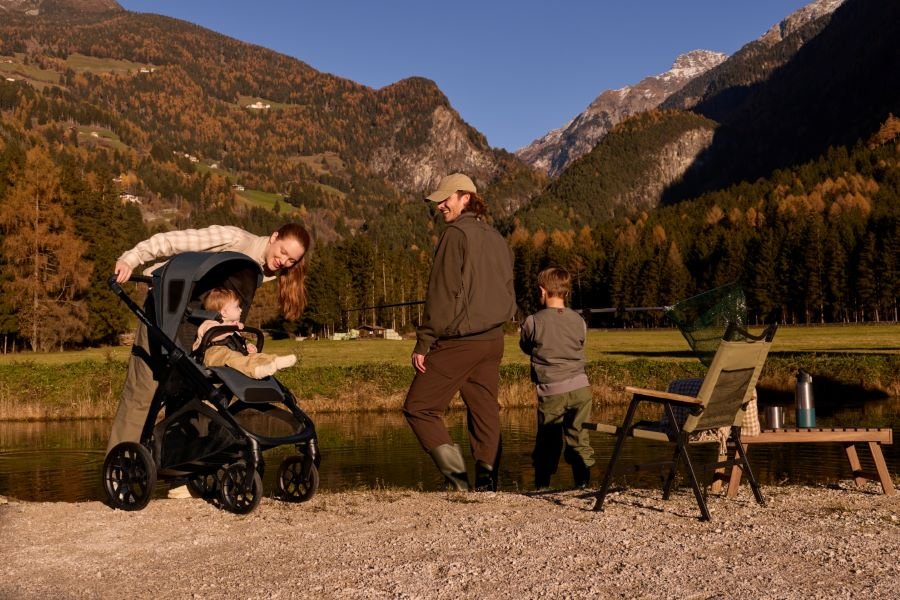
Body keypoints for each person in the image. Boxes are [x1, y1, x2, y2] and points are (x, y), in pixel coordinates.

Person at [107, 223, 310, 455]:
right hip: (166, 305)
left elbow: (228, 309)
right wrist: (131, 258)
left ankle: (179, 465)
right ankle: (120, 463)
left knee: (190, 391)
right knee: (143, 390)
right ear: (274, 237)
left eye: (291, 260)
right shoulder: (233, 238)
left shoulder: (265, 270)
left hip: (203, 323)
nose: (283, 262)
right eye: (283, 252)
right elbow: (173, 241)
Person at [403, 173, 516, 492]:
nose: (440, 205)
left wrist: (424, 342)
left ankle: (457, 480)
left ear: (466, 197)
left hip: (462, 340)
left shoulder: (455, 235)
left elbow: (441, 293)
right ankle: (487, 482)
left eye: (446, 198)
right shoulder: (496, 237)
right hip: (494, 340)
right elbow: (508, 286)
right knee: (484, 409)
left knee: (419, 407)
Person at [519, 267, 594, 489]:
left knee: (548, 439)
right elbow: (581, 343)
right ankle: (583, 483)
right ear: (567, 293)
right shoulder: (579, 320)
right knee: (579, 436)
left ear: (542, 291)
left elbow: (526, 346)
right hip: (581, 388)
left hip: (552, 390)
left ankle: (542, 486)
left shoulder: (533, 321)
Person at [193, 287, 297, 378]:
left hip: (234, 353)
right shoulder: (209, 324)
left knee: (253, 357)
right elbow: (212, 336)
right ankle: (256, 371)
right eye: (237, 307)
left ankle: (275, 361)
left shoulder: (233, 327)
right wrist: (231, 329)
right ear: (224, 312)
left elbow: (237, 341)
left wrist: (247, 346)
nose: (241, 310)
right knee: (233, 357)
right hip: (212, 355)